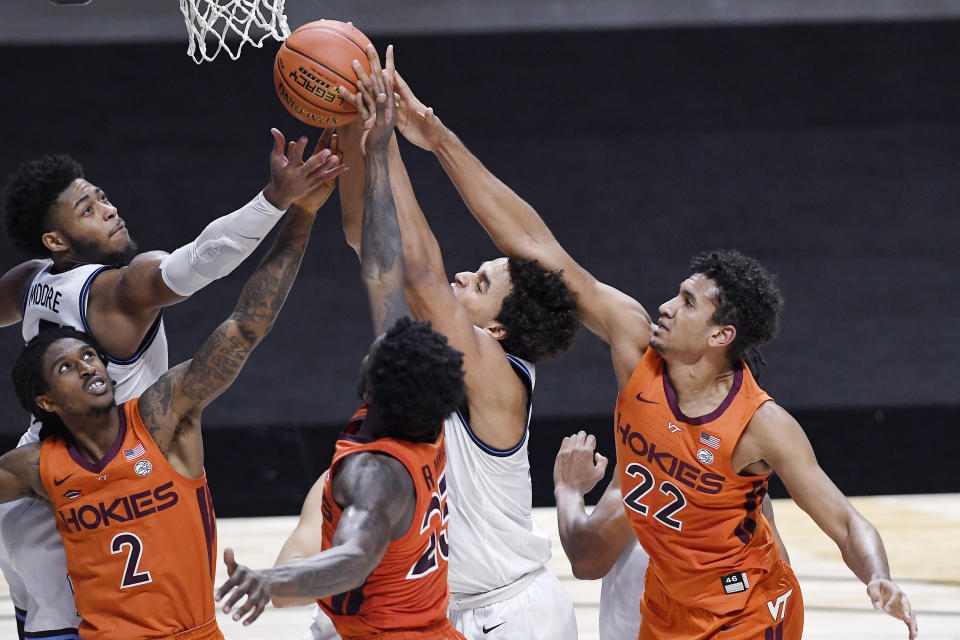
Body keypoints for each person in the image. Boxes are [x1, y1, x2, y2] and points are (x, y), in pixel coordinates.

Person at [386, 74, 918, 639]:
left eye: (687, 303)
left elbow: (843, 520)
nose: (665, 305)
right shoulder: (637, 347)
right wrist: (436, 137)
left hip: (745, 617)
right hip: (666, 607)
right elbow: (538, 251)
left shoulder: (761, 425)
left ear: (720, 336)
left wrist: (877, 577)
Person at [0, 130, 344, 639]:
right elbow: (204, 259)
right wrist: (276, 200)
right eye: (88, 209)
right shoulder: (119, 290)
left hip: (34, 478)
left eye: (101, 197)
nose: (108, 208)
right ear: (57, 239)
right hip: (96, 484)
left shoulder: (30, 280)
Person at [303, 46, 580, 640]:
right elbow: (367, 236)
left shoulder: (500, 373)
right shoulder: (438, 360)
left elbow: (423, 274)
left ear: (501, 328)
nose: (462, 278)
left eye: (480, 283)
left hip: (508, 614)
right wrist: (353, 125)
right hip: (433, 611)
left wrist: (388, 144)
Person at [214, 49, 467, 640]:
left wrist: (272, 583)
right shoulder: (418, 421)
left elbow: (353, 558)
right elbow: (382, 269)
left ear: (374, 384)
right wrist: (374, 155)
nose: (376, 339)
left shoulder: (376, 472)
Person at [553, 431, 790, 640]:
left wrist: (568, 488)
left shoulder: (650, 469)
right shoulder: (752, 492)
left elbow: (586, 561)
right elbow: (781, 588)